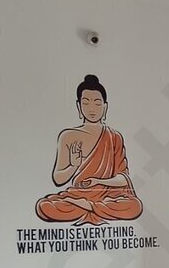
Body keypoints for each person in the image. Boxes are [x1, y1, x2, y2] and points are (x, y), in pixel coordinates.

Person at [36, 74, 143, 226]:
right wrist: (73, 165)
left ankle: (89, 207)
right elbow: (58, 179)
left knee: (134, 206)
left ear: (105, 107)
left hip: (109, 195)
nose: (92, 109)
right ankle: (92, 207)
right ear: (79, 106)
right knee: (44, 207)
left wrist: (98, 181)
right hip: (79, 194)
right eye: (86, 103)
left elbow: (123, 178)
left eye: (97, 103)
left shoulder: (114, 137)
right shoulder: (68, 136)